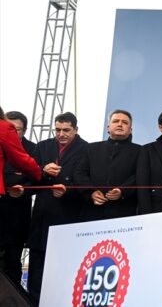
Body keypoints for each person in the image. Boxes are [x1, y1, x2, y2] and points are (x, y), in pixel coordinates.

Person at [25, 112, 87, 304]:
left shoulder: (87, 149)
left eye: (66, 130)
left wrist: (67, 191)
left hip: (68, 216)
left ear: (76, 130)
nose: (61, 134)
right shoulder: (43, 146)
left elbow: (87, 184)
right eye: (57, 130)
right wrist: (43, 170)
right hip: (42, 216)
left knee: (64, 269)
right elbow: (30, 178)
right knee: (36, 269)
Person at [74, 109, 140, 221]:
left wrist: (123, 191)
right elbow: (79, 173)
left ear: (130, 130)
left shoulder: (141, 151)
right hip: (91, 211)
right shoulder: (91, 149)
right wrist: (91, 192)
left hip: (125, 213)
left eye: (125, 122)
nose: (120, 124)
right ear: (108, 128)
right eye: (115, 121)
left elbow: (140, 176)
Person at [0, 111, 37, 292]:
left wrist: (23, 190)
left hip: (18, 217)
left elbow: (38, 178)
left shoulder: (33, 149)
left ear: (25, 130)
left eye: (17, 130)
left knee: (13, 264)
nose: (12, 133)